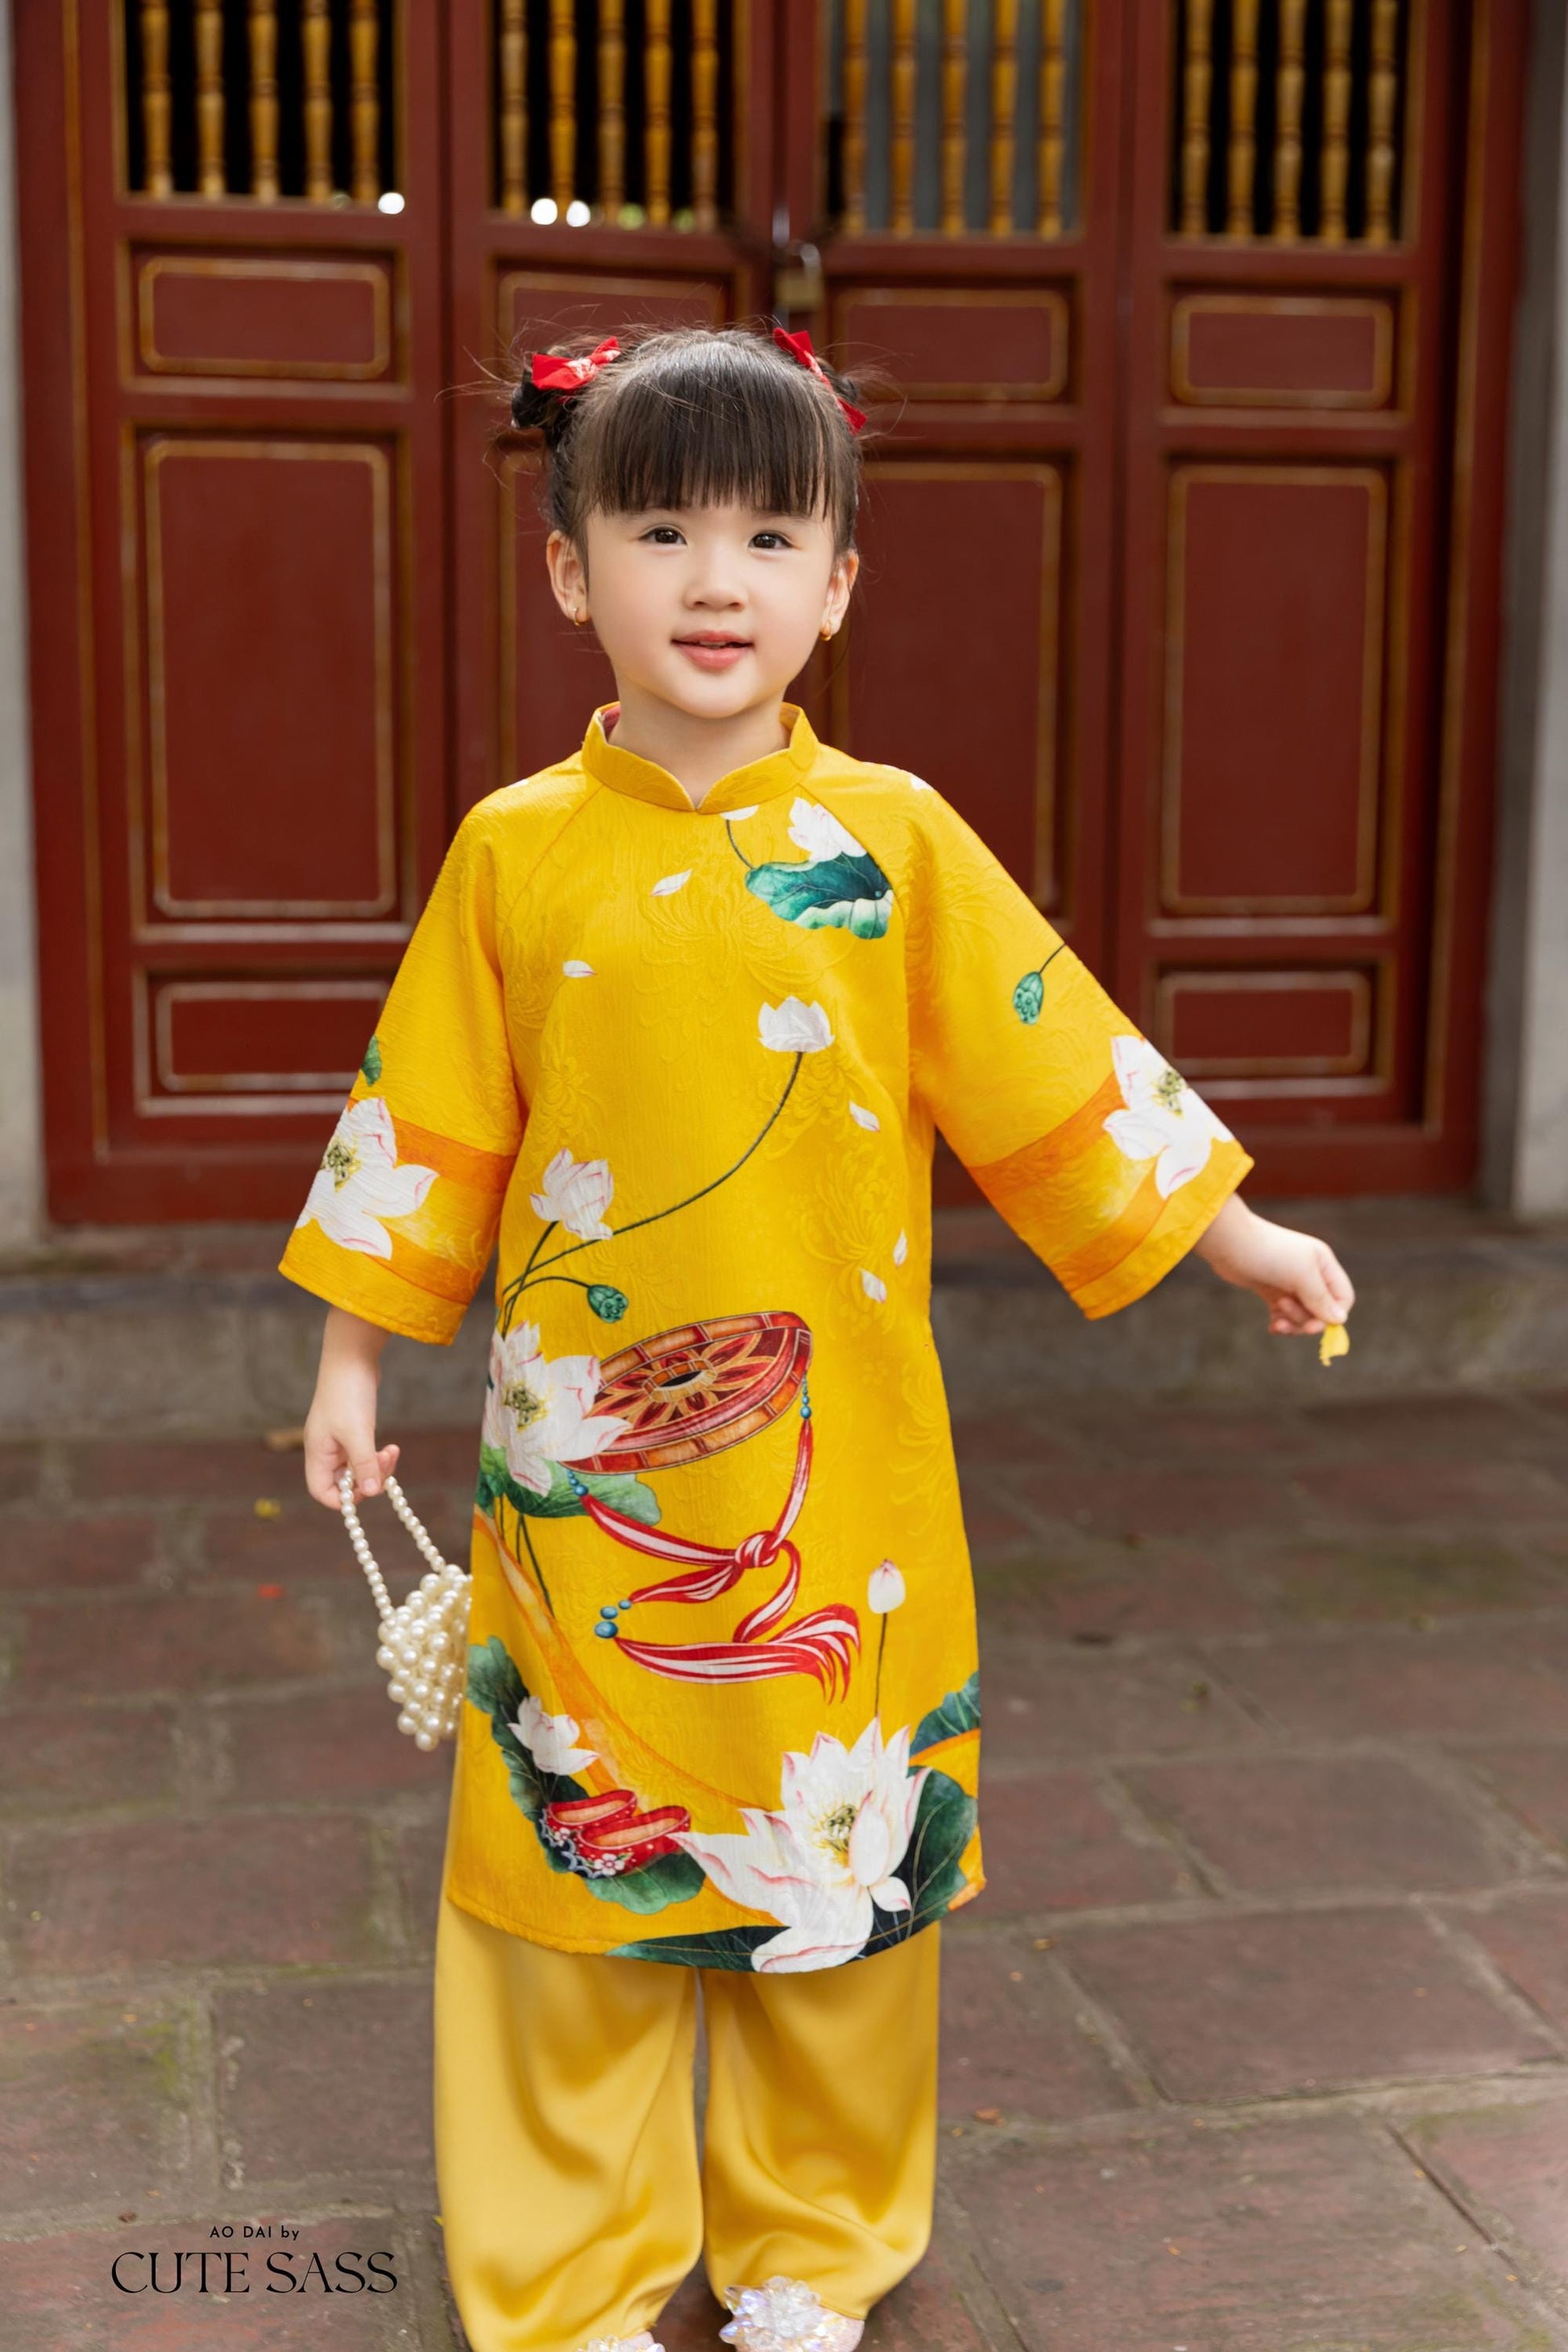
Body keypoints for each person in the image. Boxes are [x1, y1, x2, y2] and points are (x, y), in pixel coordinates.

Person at [280, 322, 1354, 2352]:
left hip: (835, 1453)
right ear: (565, 566)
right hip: (573, 1469)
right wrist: (349, 1360)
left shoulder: (898, 839)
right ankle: (574, 2273)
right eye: (660, 525)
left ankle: (809, 2245)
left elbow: (1055, 1055)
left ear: (840, 582)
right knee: (560, 1861)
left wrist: (1234, 1230)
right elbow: (423, 1115)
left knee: (842, 1846)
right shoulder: (515, 851)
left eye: (772, 535)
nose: (715, 579)